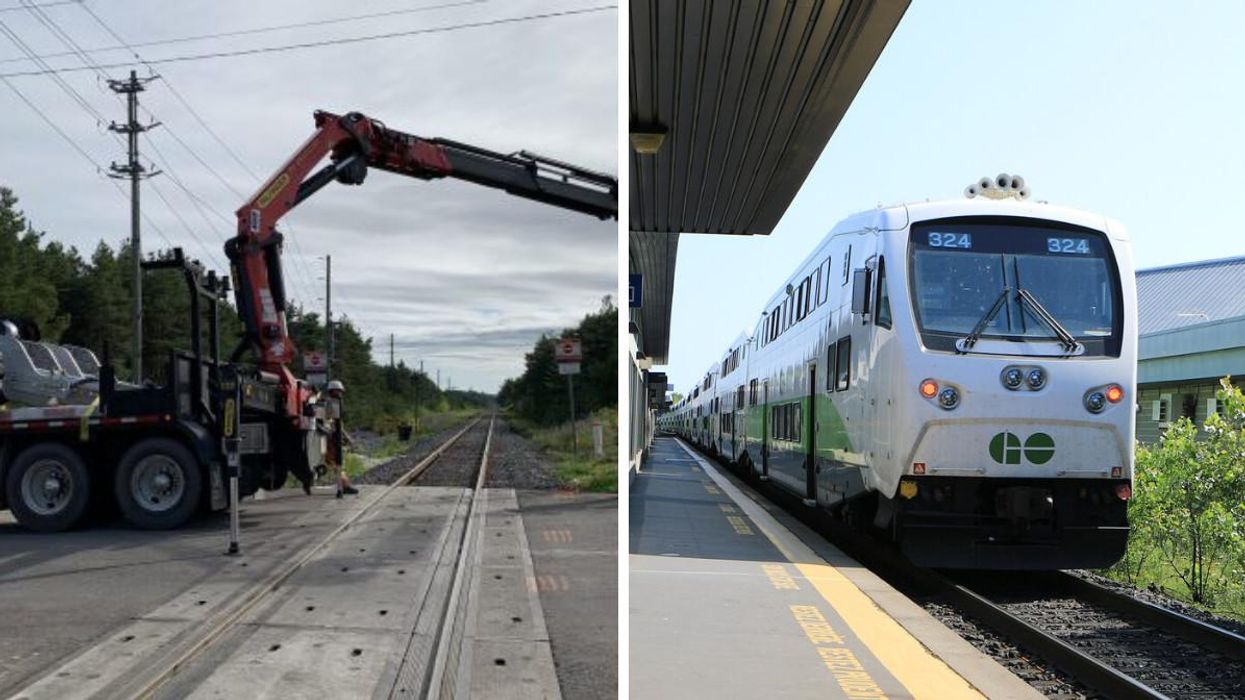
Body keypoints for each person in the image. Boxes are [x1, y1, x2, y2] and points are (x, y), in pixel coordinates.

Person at [325, 380, 358, 497]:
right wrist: (347, 438)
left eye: (341, 392)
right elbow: (331, 423)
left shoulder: (333, 403)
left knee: (336, 464)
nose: (340, 394)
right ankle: (344, 486)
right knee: (336, 464)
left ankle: (344, 485)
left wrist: (346, 437)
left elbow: (338, 425)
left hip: (333, 436)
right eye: (338, 391)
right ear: (333, 391)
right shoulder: (331, 404)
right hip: (331, 438)